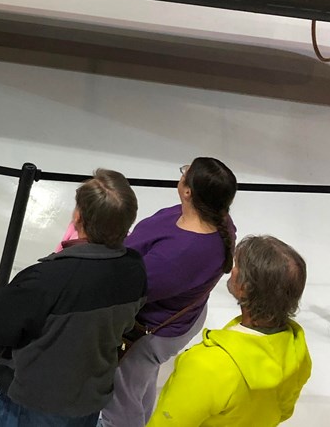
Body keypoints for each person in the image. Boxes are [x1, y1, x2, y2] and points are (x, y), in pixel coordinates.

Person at [0, 169, 146, 427]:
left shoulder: (46, 278)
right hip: (89, 396)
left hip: (32, 400)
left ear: (78, 217)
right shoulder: (135, 270)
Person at [101, 158, 238, 427]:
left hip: (149, 332)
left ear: (188, 191)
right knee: (140, 380)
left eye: (186, 172)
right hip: (177, 318)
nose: (183, 173)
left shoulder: (179, 254)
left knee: (121, 395)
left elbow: (127, 290)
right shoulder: (218, 220)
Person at [147, 235, 311, 427]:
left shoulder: (206, 366)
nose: (232, 270)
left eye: (237, 266)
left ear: (244, 289)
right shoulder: (298, 352)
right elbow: (283, 411)